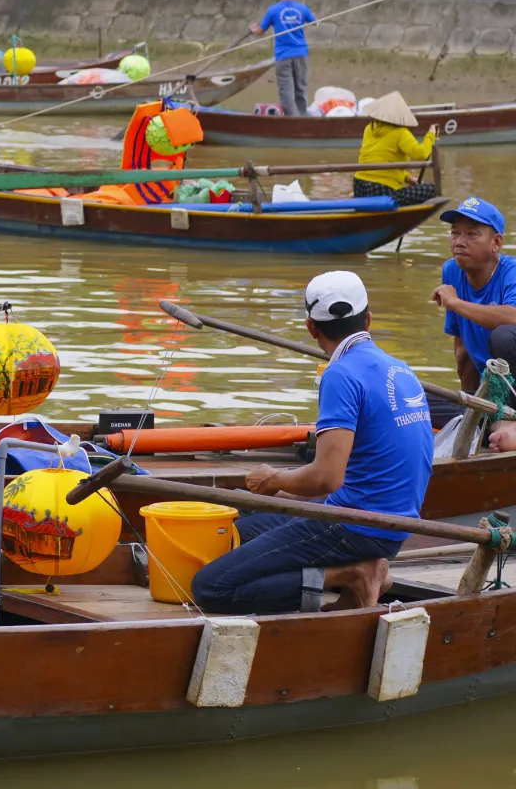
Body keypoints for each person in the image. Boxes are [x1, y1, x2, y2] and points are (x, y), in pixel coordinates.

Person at [193, 272, 431, 614]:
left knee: (212, 587)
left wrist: (273, 479)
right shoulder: (400, 369)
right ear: (368, 319)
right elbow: (354, 471)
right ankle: (347, 573)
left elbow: (325, 478)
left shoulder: (340, 374)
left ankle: (349, 575)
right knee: (233, 531)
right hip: (392, 524)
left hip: (356, 527)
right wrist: (285, 492)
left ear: (310, 327)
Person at [434, 197, 516, 424]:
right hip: (490, 398)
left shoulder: (511, 272)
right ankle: (485, 424)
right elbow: (463, 355)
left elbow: (513, 316)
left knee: (504, 335)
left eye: (471, 234)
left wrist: (455, 303)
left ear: (496, 243)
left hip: (512, 393)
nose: (459, 242)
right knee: (415, 400)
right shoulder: (452, 270)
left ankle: (508, 424)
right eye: (455, 233)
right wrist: (467, 406)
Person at [353, 93, 438, 204]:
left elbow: (380, 159)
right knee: (433, 189)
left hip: (359, 185)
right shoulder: (400, 133)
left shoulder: (369, 128)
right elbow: (421, 154)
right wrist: (431, 135)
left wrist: (407, 178)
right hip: (381, 189)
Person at [252, 0, 317, 117]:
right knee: (300, 87)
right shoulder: (302, 9)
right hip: (300, 53)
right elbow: (314, 22)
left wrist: (253, 29)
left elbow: (260, 31)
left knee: (286, 89)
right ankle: (301, 116)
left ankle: (292, 119)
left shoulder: (273, 10)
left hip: (283, 55)